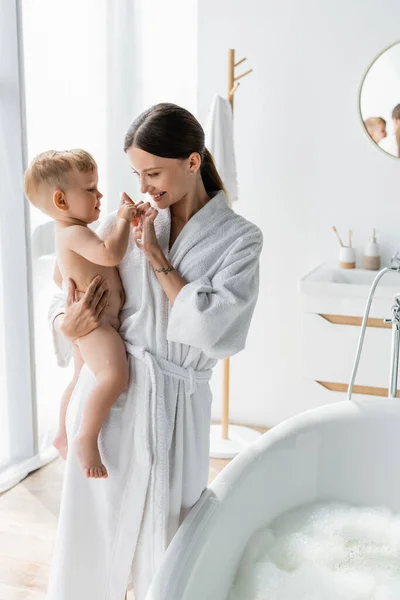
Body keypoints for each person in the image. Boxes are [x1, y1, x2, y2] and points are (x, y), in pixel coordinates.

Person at [46, 103, 263, 600]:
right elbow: (67, 282)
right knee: (95, 537)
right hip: (110, 399)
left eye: (154, 172)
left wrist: (158, 258)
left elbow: (214, 329)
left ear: (192, 162)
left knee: (168, 543)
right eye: (137, 174)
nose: (145, 187)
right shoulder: (133, 221)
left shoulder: (239, 239)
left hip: (176, 404)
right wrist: (66, 322)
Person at [24, 149, 138, 479]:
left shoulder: (65, 235)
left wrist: (75, 285)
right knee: (114, 376)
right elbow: (111, 252)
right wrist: (123, 219)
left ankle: (61, 432)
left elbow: (60, 277)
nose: (100, 196)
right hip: (96, 326)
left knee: (78, 378)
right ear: (61, 201)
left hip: (89, 325)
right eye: (90, 189)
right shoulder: (76, 232)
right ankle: (85, 437)